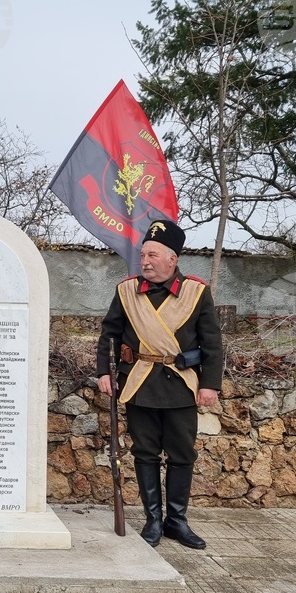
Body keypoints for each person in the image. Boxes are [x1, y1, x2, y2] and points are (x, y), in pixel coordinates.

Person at [96, 219, 222, 550]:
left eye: (153, 255)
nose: (146, 262)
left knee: (182, 455)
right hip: (139, 383)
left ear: (172, 258)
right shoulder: (126, 291)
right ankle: (153, 519)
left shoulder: (196, 292)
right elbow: (109, 334)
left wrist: (210, 384)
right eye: (143, 255)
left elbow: (212, 343)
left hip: (181, 385)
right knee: (145, 453)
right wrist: (104, 373)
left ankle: (176, 522)